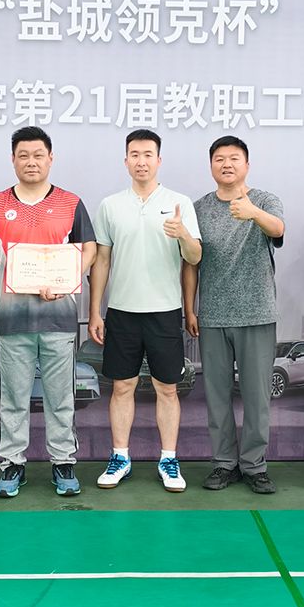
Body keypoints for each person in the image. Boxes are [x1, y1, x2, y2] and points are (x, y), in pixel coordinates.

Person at [0, 126, 97, 497]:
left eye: (38, 154)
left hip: (59, 317)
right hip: (13, 320)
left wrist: (68, 278)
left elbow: (89, 248)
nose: (31, 162)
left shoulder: (70, 203)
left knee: (61, 397)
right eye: (23, 155)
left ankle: (63, 462)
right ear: (13, 159)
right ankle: (12, 464)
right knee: (13, 397)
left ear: (50, 158)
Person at [89, 129, 201, 492]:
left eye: (148, 154)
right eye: (134, 155)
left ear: (159, 160)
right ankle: (120, 457)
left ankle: (169, 459)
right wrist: (96, 311)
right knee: (122, 386)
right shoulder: (110, 205)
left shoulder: (179, 202)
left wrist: (183, 234)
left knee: (166, 388)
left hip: (164, 311)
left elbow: (194, 257)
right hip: (122, 311)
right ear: (126, 161)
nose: (141, 161)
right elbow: (101, 260)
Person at [183, 135, 284, 494]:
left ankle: (255, 466)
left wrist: (253, 212)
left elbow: (278, 229)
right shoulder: (198, 208)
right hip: (212, 315)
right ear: (211, 165)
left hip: (257, 313)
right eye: (219, 159)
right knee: (217, 395)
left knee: (257, 397)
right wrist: (189, 308)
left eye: (234, 158)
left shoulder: (265, 200)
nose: (226, 164)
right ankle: (224, 463)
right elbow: (191, 263)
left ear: (247, 164)